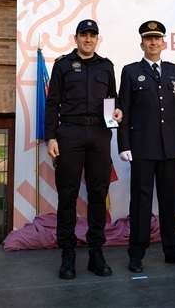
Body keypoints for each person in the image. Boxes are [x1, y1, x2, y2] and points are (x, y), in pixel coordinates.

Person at [117, 20, 175, 273]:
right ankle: (137, 253)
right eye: (148, 39)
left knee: (169, 200)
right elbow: (124, 109)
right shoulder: (130, 71)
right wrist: (124, 144)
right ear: (141, 43)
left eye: (157, 39)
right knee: (140, 201)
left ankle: (173, 249)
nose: (153, 42)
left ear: (164, 43)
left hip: (170, 147)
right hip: (141, 147)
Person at [45, 19, 123, 279]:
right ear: (75, 38)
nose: (88, 39)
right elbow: (53, 102)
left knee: (98, 193)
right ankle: (67, 254)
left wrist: (117, 111)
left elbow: (112, 98)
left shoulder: (107, 66)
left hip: (100, 134)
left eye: (93, 35)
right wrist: (51, 137)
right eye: (84, 35)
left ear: (97, 39)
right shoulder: (63, 65)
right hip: (69, 133)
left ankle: (96, 253)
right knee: (67, 195)